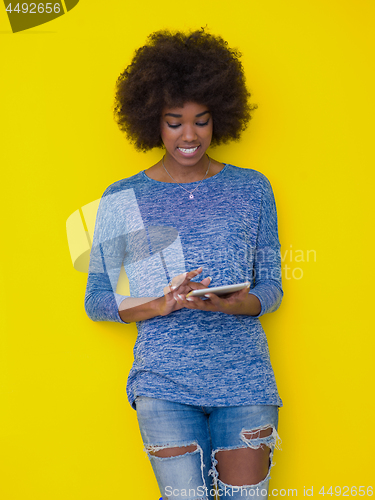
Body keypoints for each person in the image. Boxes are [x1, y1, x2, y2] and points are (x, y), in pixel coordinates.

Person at [85, 28, 283, 500]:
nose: (189, 136)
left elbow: (273, 286)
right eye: (175, 122)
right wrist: (163, 303)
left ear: (220, 118)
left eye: (202, 120)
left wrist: (234, 304)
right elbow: (97, 300)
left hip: (245, 381)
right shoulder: (122, 198)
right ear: (153, 120)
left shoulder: (252, 189)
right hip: (163, 383)